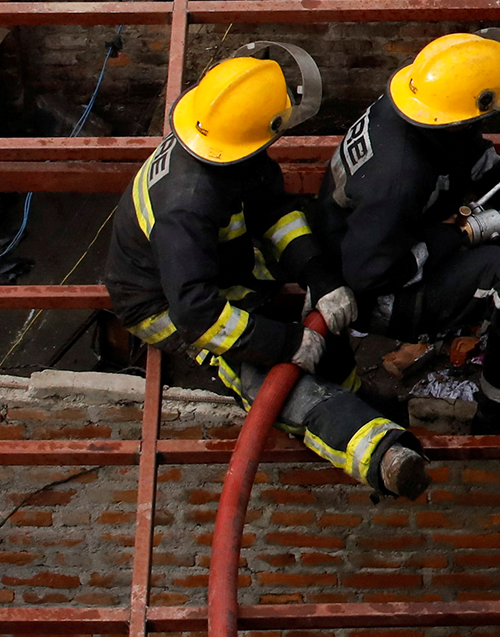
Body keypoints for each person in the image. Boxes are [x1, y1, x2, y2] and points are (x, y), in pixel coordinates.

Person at [102, 43, 429, 499]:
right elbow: (197, 313)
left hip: (221, 270)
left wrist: (319, 276)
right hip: (164, 302)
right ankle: (383, 455)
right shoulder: (187, 205)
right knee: (261, 371)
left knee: (321, 343)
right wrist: (286, 342)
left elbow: (275, 214)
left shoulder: (229, 146)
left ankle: (358, 397)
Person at [316, 30, 500, 435]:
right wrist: (455, 236)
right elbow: (369, 274)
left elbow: (475, 156)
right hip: (379, 292)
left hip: (386, 243)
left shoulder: (423, 111)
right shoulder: (398, 176)